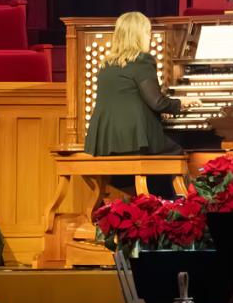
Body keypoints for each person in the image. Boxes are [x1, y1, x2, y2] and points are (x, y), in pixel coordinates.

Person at [84, 12, 201, 196]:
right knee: (177, 149)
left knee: (163, 150)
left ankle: (157, 200)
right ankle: (177, 201)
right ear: (140, 35)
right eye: (148, 33)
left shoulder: (107, 64)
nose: (150, 37)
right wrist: (181, 103)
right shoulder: (142, 60)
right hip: (134, 141)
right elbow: (157, 102)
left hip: (106, 142)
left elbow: (129, 98)